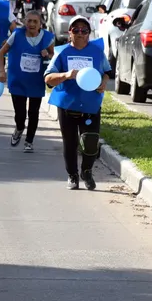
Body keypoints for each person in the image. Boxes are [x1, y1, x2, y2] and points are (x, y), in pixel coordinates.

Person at [44, 14, 111, 190]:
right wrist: (65, 75)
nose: (80, 33)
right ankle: (72, 175)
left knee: (91, 142)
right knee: (70, 143)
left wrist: (104, 82)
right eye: (76, 30)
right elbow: (48, 78)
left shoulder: (97, 52)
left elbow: (107, 72)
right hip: (68, 104)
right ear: (70, 32)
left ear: (89, 33)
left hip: (91, 103)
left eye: (84, 30)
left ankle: (86, 171)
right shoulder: (62, 52)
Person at [0, 10, 54, 153]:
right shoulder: (17, 35)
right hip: (18, 80)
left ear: (40, 24)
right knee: (20, 114)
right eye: (29, 21)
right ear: (24, 22)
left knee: (33, 113)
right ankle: (19, 128)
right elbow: (1, 53)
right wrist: (2, 71)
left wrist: (48, 54)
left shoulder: (47, 38)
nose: (32, 24)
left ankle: (29, 141)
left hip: (36, 81)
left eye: (35, 21)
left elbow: (54, 56)